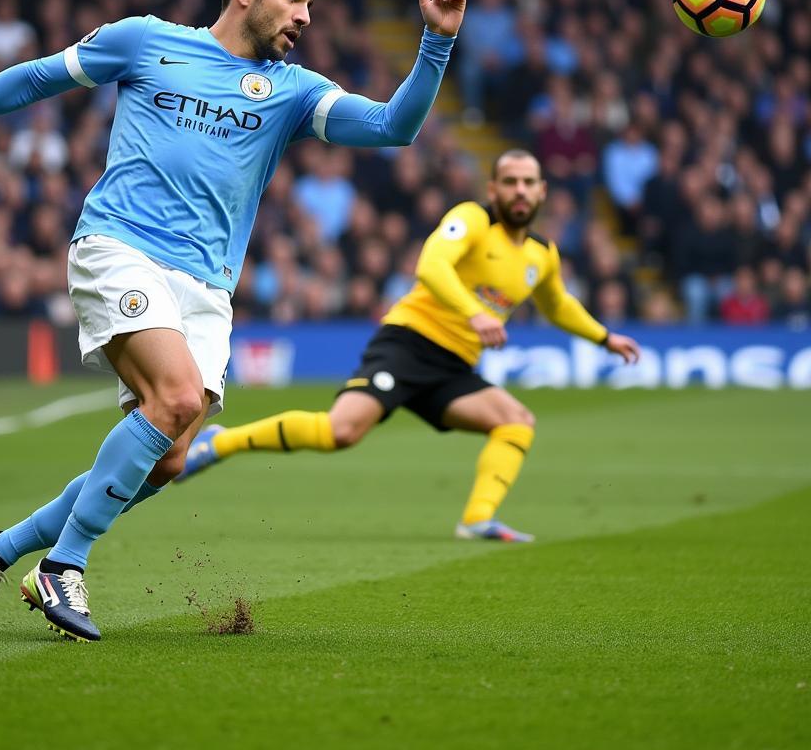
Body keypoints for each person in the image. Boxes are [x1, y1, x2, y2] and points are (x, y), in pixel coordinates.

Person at [0, 0, 466, 642]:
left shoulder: (294, 91)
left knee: (169, 455)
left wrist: (436, 43)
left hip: (207, 288)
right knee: (176, 399)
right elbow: (34, 80)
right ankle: (64, 566)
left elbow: (395, 127)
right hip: (120, 247)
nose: (305, 14)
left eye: (309, 4)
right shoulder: (146, 41)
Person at [177, 150, 640, 543]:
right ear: (494, 189)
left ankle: (478, 519)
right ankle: (224, 443)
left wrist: (604, 337)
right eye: (510, 183)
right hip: (408, 344)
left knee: (516, 421)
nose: (520, 191)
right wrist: (475, 312)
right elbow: (432, 266)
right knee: (341, 432)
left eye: (529, 183)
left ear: (542, 192)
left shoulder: (542, 254)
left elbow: (557, 305)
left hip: (453, 368)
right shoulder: (473, 219)